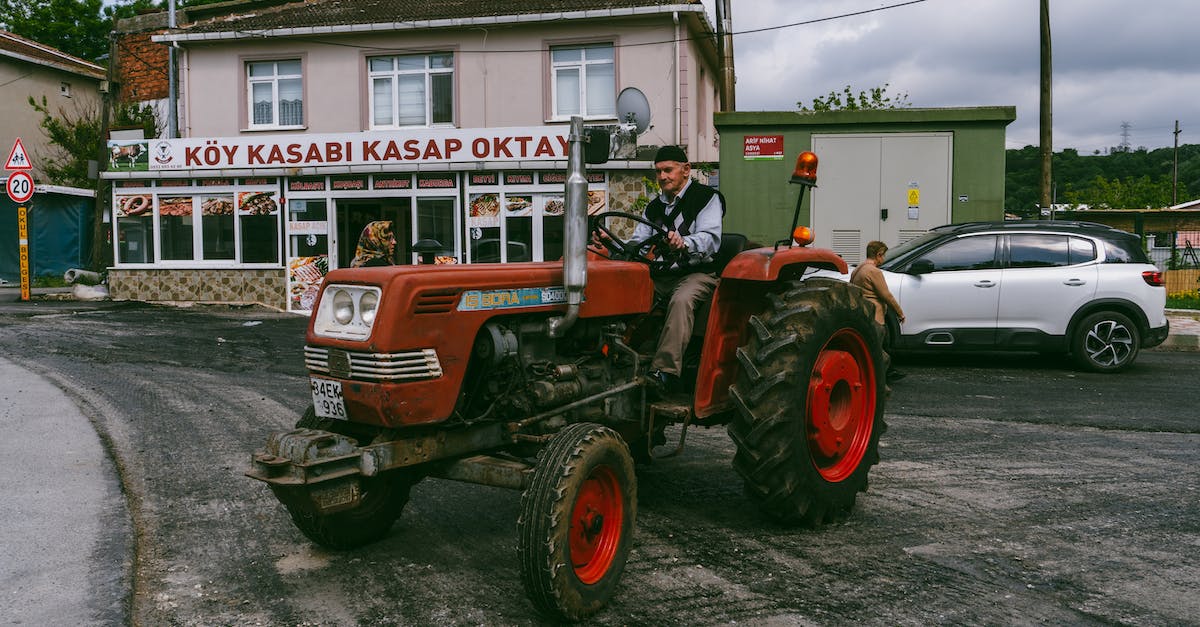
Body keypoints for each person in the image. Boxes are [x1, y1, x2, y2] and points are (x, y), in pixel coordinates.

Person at [634, 145, 724, 394]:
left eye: (668, 170)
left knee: (682, 299)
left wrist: (685, 242)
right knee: (630, 292)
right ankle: (623, 360)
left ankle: (665, 372)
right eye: (658, 172)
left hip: (698, 272)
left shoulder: (706, 198)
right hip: (663, 274)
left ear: (686, 170)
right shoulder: (653, 208)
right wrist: (609, 245)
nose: (662, 177)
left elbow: (710, 238)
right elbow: (638, 242)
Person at [850, 240, 906, 381]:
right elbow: (886, 295)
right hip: (876, 316)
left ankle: (888, 372)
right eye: (883, 255)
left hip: (864, 313)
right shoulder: (874, 271)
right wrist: (900, 312)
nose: (884, 259)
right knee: (879, 348)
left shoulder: (858, 268)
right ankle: (881, 377)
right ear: (878, 254)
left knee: (878, 347)